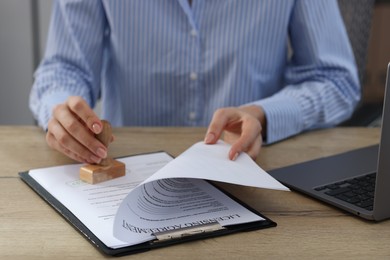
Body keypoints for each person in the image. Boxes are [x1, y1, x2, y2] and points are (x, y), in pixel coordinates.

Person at [30, 0, 360, 164]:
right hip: (128, 179)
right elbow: (64, 70)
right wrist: (61, 112)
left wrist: (263, 114)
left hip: (255, 175)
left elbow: (336, 80)